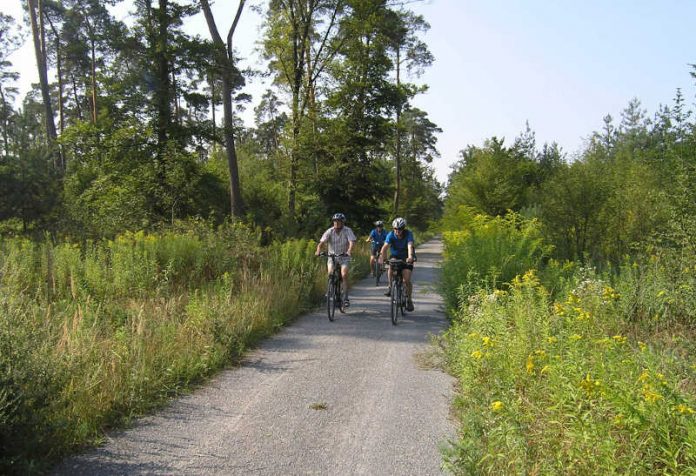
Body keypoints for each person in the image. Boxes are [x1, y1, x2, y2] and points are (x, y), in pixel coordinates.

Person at [315, 212, 357, 307]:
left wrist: (349, 250)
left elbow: (351, 242)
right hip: (332, 256)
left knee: (344, 274)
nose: (336, 223)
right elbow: (321, 242)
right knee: (330, 273)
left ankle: (345, 298)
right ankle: (330, 290)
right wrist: (318, 250)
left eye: (338, 221)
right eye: (335, 221)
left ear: (343, 222)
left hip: (344, 256)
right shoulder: (329, 231)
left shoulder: (347, 230)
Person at [378, 217, 415, 311]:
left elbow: (410, 246)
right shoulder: (390, 235)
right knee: (390, 266)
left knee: (406, 280)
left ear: (403, 228)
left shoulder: (408, 234)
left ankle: (409, 300)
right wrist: (383, 257)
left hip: (406, 257)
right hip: (395, 256)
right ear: (393, 228)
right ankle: (390, 286)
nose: (397, 231)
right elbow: (385, 247)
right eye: (395, 229)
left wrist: (410, 257)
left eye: (400, 229)